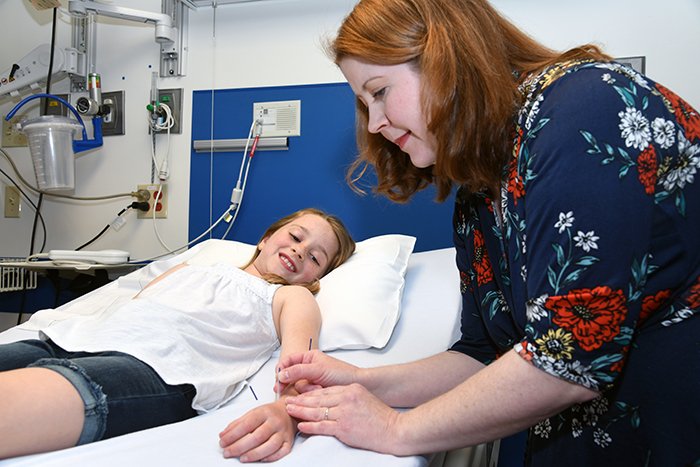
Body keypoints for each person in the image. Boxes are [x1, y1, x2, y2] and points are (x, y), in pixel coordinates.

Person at [278, 1, 700, 465]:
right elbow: (484, 354)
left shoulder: (584, 110)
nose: (375, 123)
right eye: (365, 104)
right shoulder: (479, 195)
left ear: (446, 60)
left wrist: (396, 428)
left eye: (379, 92)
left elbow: (568, 360)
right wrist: (362, 380)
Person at [0, 207, 355, 461]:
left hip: (154, 371)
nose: (299, 250)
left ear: (314, 278)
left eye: (315, 257)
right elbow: (135, 305)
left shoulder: (291, 296)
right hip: (71, 339)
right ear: (265, 239)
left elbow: (300, 366)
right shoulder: (192, 267)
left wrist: (286, 412)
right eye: (295, 236)